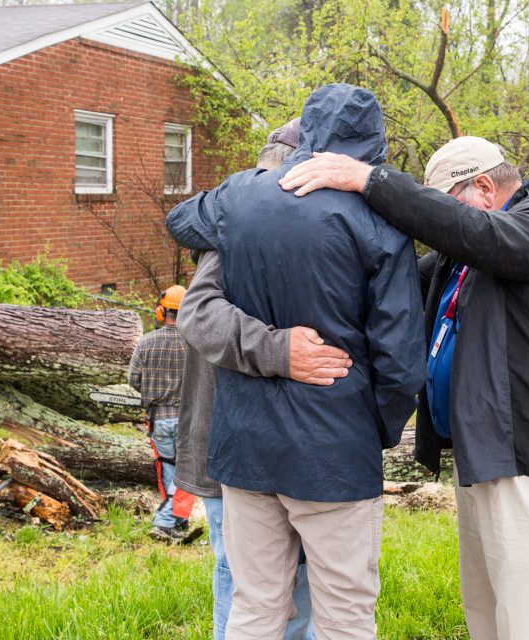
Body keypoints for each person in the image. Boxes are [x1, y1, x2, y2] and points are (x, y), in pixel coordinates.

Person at [279, 135, 529, 640]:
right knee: (486, 611)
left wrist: (370, 180)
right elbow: (389, 292)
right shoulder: (462, 256)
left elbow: (476, 233)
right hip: (488, 454)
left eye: (449, 204)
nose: (442, 233)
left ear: (484, 186)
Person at [167, 83, 426, 640]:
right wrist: (371, 428)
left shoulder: (240, 196)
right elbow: (402, 361)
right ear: (375, 144)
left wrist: (255, 191)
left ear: (306, 132)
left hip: (244, 448)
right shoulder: (380, 222)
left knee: (255, 606)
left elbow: (179, 218)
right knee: (346, 616)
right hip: (333, 450)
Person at [173, 118, 342, 640]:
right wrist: (279, 348)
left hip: (302, 449)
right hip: (232, 452)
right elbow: (198, 316)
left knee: (306, 592)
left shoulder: (321, 226)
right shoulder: (238, 225)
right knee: (251, 595)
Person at [128, 285, 200, 544]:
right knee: (187, 470)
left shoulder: (146, 342)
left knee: (168, 466)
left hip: (158, 418)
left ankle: (175, 519)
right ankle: (166, 520)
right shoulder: (194, 343)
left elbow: (133, 378)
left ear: (162, 312)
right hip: (188, 417)